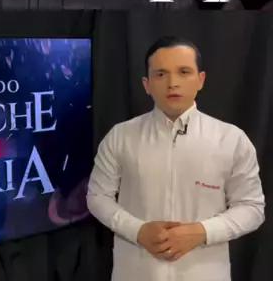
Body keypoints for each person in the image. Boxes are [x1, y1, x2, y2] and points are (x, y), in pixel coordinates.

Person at [87, 35, 265, 281]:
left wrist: (202, 232)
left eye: (184, 72)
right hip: (136, 272)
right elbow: (97, 197)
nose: (173, 83)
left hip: (205, 273)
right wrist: (138, 231)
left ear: (200, 80)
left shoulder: (231, 139)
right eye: (161, 74)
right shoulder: (120, 136)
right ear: (147, 84)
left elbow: (252, 208)